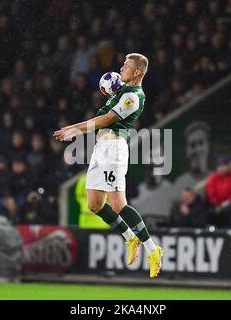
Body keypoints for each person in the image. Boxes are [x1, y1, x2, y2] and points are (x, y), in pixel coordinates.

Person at [53, 53, 163, 278]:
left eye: (127, 65)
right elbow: (111, 89)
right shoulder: (121, 91)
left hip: (114, 150)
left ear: (138, 72)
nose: (122, 67)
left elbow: (106, 120)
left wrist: (73, 129)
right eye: (123, 64)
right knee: (94, 204)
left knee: (118, 204)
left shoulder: (134, 96)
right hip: (100, 150)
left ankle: (153, 250)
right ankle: (131, 238)